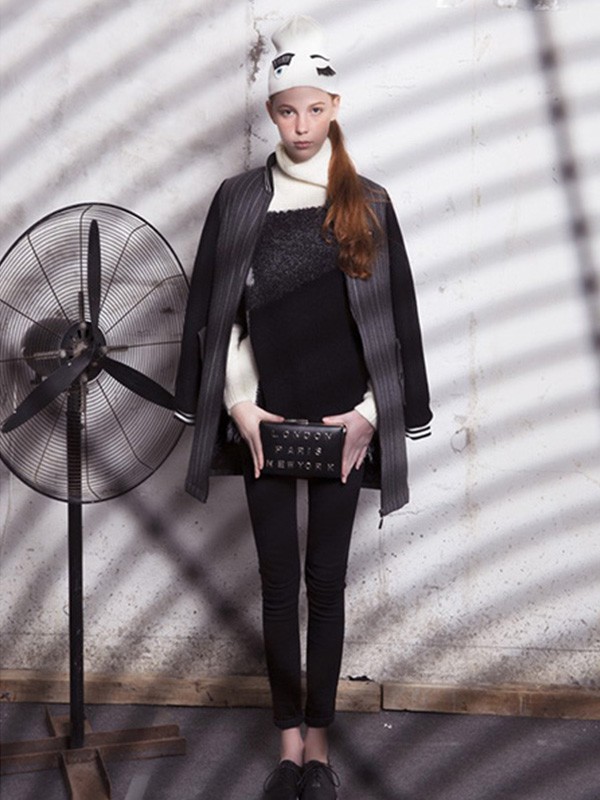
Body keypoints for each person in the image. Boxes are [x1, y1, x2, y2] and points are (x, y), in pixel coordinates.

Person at [175, 15, 432, 800]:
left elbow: (395, 316)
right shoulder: (236, 200)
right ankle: (287, 751)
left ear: (334, 109)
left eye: (314, 110)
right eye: (287, 111)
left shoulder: (370, 202)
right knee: (277, 584)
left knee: (326, 584)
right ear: (271, 114)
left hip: (342, 425)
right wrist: (239, 408)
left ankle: (320, 753)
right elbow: (217, 317)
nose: (300, 125)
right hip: (265, 421)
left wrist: (369, 415)